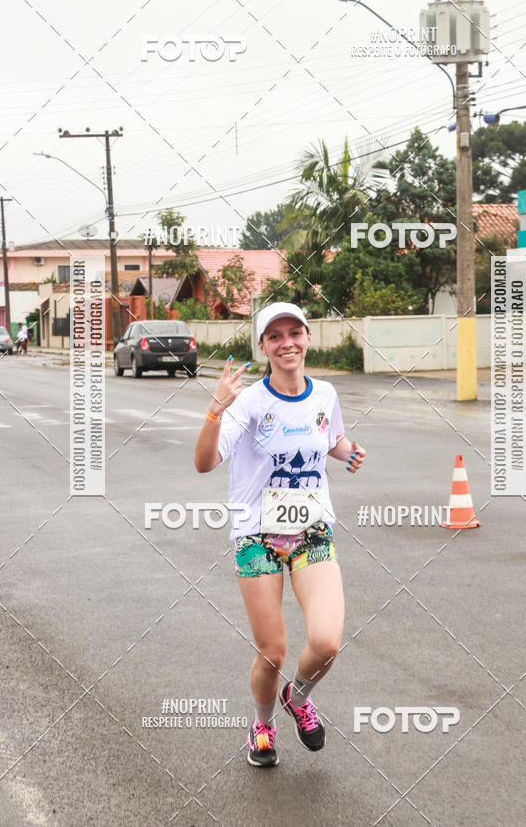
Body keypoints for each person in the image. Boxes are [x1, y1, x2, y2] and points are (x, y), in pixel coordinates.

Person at [194, 302, 366, 767]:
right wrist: (215, 409)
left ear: (308, 338)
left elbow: (328, 437)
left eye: (295, 332)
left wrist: (348, 452)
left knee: (327, 641)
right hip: (257, 537)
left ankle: (299, 696)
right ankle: (263, 723)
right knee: (272, 652)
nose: (286, 342)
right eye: (275, 336)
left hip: (311, 531)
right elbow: (205, 462)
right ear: (263, 346)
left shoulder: (325, 393)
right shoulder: (249, 402)